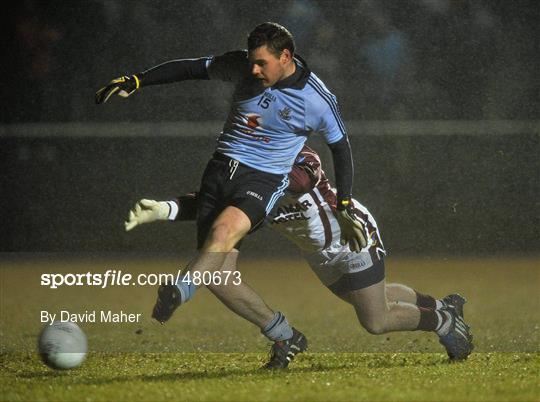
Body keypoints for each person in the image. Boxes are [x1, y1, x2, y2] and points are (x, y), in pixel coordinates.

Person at [96, 22, 366, 368]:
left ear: (286, 57)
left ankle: (181, 288)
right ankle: (285, 335)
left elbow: (341, 149)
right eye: (252, 61)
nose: (253, 70)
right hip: (219, 171)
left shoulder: (317, 99)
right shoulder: (243, 65)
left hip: (263, 179)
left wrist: (343, 205)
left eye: (262, 63)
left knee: (221, 234)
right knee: (220, 277)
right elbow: (192, 68)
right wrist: (138, 80)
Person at [126, 145, 474, 361]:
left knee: (376, 320)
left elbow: (301, 180)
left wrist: (252, 185)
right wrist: (165, 208)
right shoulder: (246, 169)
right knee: (369, 298)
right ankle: (440, 304)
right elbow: (207, 203)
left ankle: (443, 321)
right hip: (318, 253)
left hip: (350, 236)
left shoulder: (297, 154)